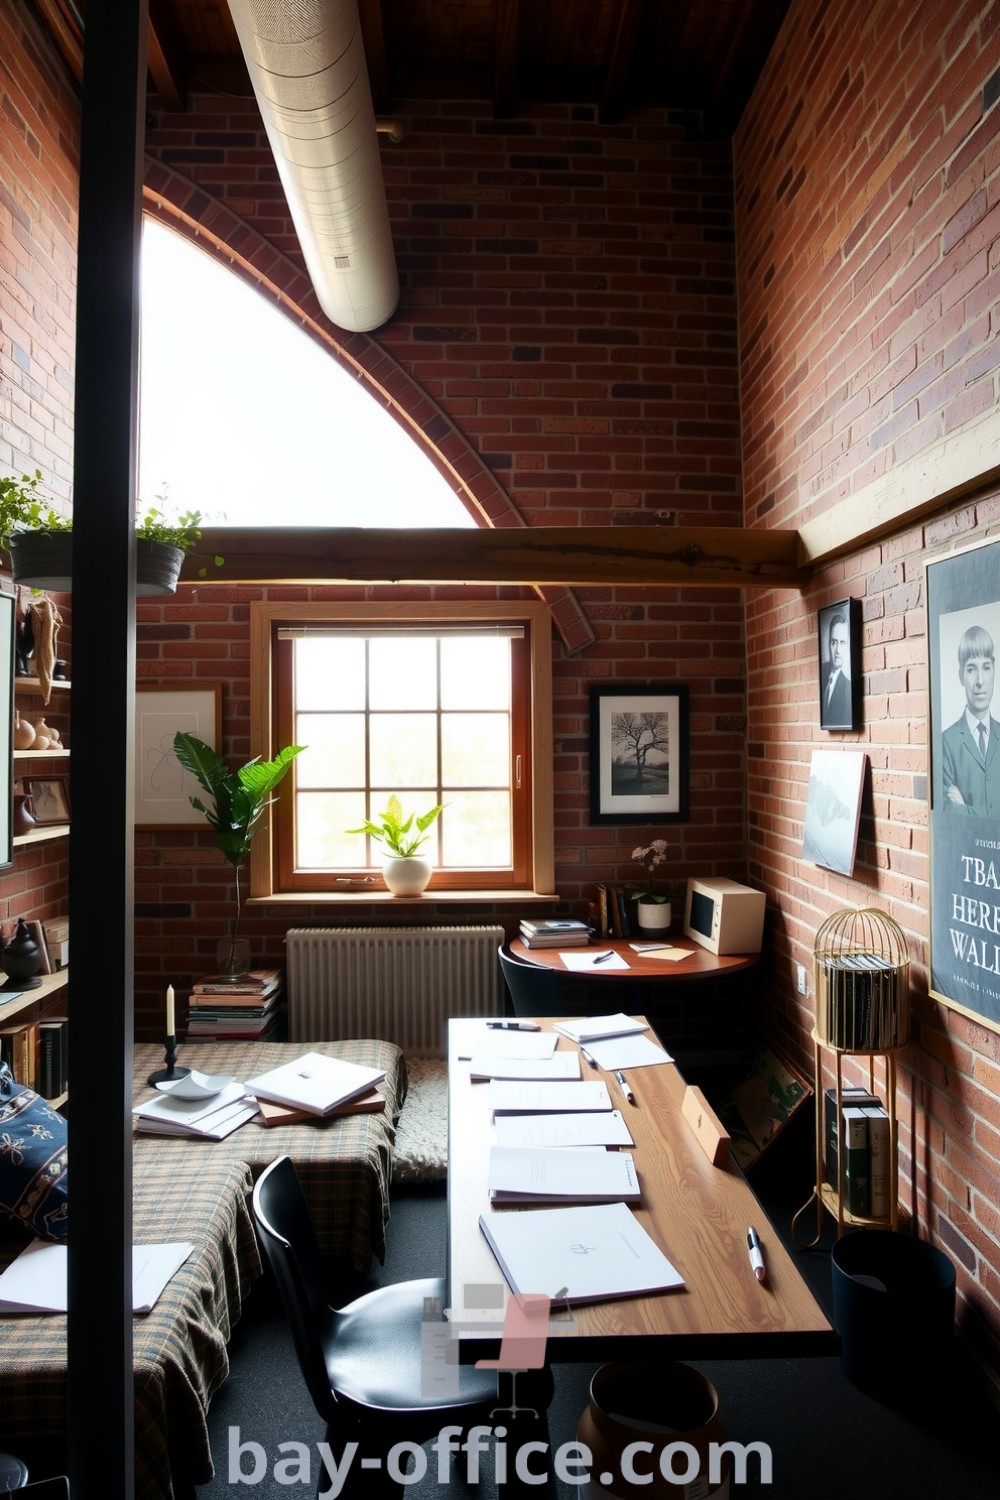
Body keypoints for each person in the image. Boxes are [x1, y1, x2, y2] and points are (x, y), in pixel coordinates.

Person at [941, 624, 1000, 817]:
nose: (980, 681)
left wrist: (966, 810)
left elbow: (960, 813)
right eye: (971, 669)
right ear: (961, 676)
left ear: (994, 670)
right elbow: (948, 813)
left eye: (986, 667)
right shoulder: (946, 743)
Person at [820, 610, 852, 726]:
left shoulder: (848, 687)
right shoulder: (821, 675)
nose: (838, 650)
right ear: (829, 643)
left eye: (842, 642)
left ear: (848, 645)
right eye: (834, 642)